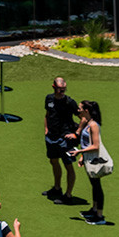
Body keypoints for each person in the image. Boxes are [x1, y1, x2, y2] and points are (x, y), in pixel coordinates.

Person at [70, 100, 111, 225]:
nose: (78, 109)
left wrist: (80, 152)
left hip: (94, 160)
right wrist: (83, 156)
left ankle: (99, 215)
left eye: (80, 108)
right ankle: (94, 209)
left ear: (86, 111)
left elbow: (95, 145)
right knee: (94, 185)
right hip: (89, 159)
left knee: (97, 186)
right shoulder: (88, 123)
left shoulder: (93, 125)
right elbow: (87, 143)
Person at [41, 76, 79, 204]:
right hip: (51, 137)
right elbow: (47, 114)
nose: (62, 92)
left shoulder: (69, 102)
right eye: (59, 89)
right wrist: (46, 129)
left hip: (65, 138)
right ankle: (57, 188)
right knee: (53, 161)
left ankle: (68, 195)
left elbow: (83, 118)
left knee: (68, 165)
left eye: (63, 89)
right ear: (53, 87)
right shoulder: (49, 98)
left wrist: (77, 133)